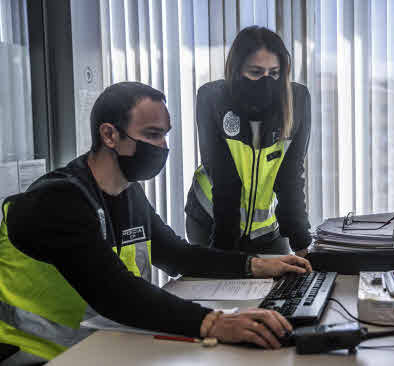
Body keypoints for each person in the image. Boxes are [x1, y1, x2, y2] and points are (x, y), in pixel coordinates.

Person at [0, 82, 312, 365]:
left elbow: (177, 255)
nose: (162, 146)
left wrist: (257, 265)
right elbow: (115, 293)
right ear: (109, 135)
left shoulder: (127, 192)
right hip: (34, 354)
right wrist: (213, 322)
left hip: (104, 344)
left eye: (165, 134)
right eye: (152, 134)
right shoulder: (58, 199)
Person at [185, 26, 312, 256]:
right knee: (223, 288)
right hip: (212, 219)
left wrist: (303, 246)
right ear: (236, 70)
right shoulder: (213, 100)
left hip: (266, 229)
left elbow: (290, 179)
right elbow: (225, 182)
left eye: (274, 73)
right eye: (255, 72)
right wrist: (224, 260)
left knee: (289, 282)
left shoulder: (297, 103)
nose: (266, 81)